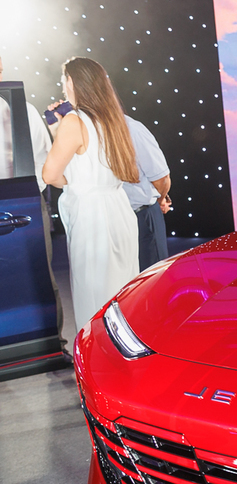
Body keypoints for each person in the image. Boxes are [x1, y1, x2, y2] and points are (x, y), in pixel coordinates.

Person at [42, 57, 139, 331]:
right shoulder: (113, 119)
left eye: (64, 80)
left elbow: (50, 175)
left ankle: (97, 354)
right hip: (119, 209)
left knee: (94, 296)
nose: (63, 87)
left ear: (72, 82)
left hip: (91, 216)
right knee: (123, 292)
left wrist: (72, 182)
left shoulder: (74, 121)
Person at [0, 55, 67, 351]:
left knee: (40, 274)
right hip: (25, 202)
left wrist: (27, 194)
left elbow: (43, 157)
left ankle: (53, 344)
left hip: (25, 204)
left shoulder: (23, 109)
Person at [123, 115, 171, 270]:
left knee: (152, 275)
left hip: (142, 216)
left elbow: (161, 178)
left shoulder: (133, 129)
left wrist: (160, 199)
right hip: (116, 219)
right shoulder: (91, 130)